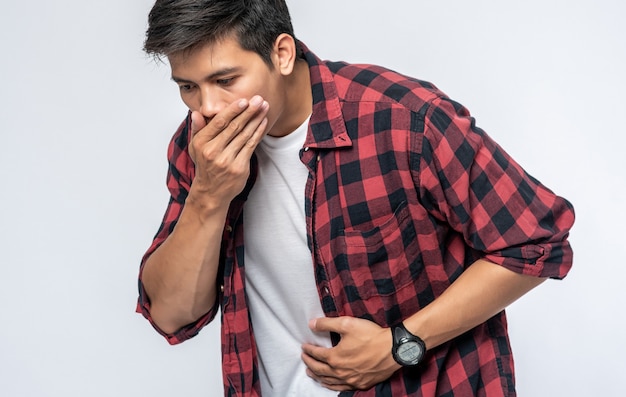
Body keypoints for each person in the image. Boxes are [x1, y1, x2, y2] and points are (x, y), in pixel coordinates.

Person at [136, 1, 575, 396]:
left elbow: (534, 243)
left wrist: (401, 343)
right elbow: (171, 315)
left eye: (225, 79)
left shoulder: (403, 120)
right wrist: (208, 197)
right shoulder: (200, 148)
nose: (208, 107)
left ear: (282, 53)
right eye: (188, 87)